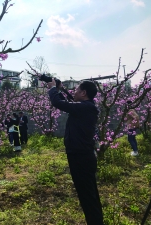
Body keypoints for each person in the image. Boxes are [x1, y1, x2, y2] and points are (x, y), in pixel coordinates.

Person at [47, 79, 104, 225]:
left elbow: (60, 103)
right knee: (88, 193)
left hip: (81, 157)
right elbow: (68, 104)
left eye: (77, 89)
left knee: (87, 195)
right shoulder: (85, 107)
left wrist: (53, 88)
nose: (74, 92)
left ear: (84, 93)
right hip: (80, 155)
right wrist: (59, 90)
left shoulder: (86, 107)